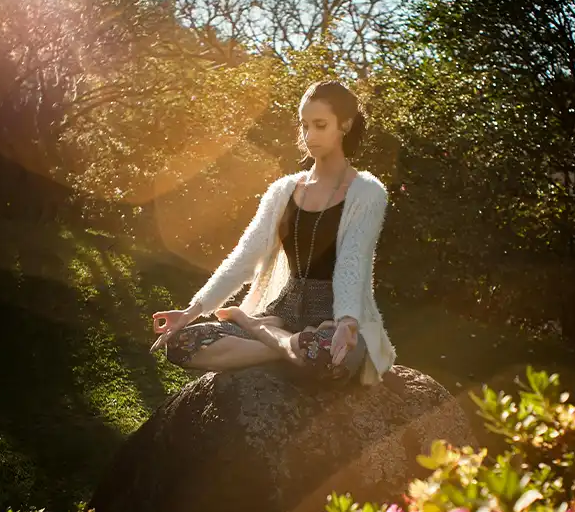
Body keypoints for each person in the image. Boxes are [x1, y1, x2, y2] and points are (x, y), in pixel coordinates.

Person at [151, 80, 396, 386]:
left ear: (345, 124)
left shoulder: (368, 192)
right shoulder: (283, 191)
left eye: (320, 125)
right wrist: (190, 312)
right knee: (181, 344)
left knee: (328, 356)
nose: (309, 136)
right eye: (304, 125)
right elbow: (244, 257)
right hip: (282, 311)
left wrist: (347, 321)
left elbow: (352, 262)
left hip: (333, 319)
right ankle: (285, 347)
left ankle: (254, 328)